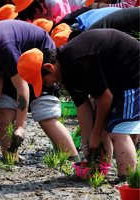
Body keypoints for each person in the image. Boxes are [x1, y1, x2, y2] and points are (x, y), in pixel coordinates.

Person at [17, 29, 139, 181]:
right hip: (114, 78)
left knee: (118, 130)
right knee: (105, 126)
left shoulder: (76, 62)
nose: (47, 85)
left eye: (44, 81)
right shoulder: (66, 73)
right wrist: (87, 145)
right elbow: (82, 105)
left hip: (132, 69)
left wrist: (95, 136)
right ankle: (102, 172)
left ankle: (128, 183)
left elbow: (105, 98)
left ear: (49, 67)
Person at [0, 20, 80, 161]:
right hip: (12, 69)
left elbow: (22, 86)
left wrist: (20, 126)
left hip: (38, 61)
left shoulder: (4, 46)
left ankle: (74, 160)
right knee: (2, 114)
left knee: (45, 114)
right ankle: (11, 160)